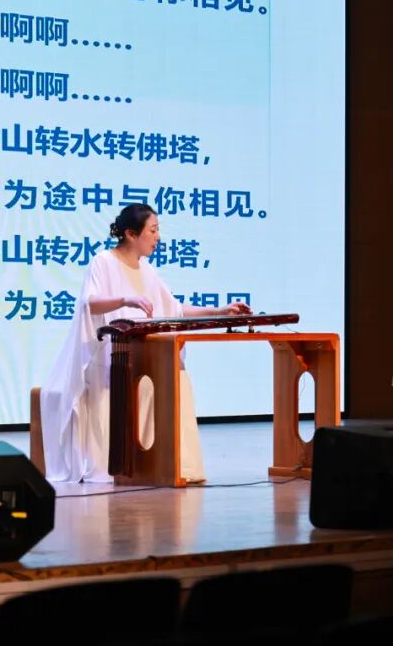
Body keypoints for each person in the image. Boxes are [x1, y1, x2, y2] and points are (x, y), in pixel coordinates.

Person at [40, 204, 252, 484]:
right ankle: (127, 463)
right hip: (110, 357)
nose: (157, 237)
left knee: (177, 377)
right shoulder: (104, 261)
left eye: (157, 230)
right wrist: (125, 300)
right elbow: (90, 303)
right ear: (131, 234)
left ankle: (177, 466)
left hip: (141, 356)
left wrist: (220, 311)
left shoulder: (147, 270)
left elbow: (174, 309)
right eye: (152, 230)